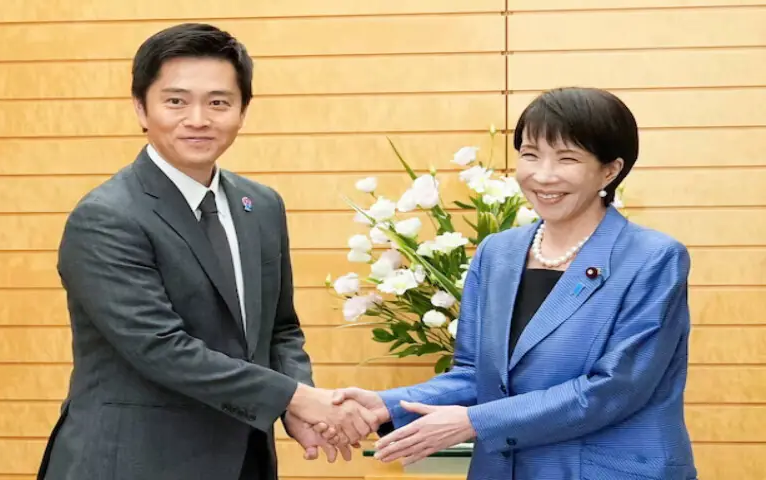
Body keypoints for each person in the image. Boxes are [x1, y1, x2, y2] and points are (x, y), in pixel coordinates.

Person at [36, 23, 377, 480]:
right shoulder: (107, 215)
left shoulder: (261, 205)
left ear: (242, 111)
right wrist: (291, 398)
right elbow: (160, 348)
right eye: (176, 101)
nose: (198, 119)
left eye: (218, 102)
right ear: (141, 108)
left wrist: (302, 401)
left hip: (244, 461)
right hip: (133, 461)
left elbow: (279, 328)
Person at [330, 87, 698, 479]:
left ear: (610, 170)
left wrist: (475, 422)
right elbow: (474, 374)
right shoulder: (497, 254)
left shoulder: (652, 258)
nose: (542, 175)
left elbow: (613, 389)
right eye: (530, 154)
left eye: (567, 158)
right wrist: (385, 405)